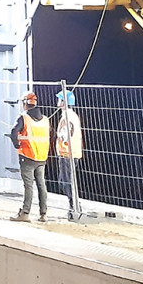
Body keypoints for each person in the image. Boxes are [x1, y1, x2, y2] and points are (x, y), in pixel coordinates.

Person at [8, 91, 50, 222]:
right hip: (42, 156)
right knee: (41, 185)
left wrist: (17, 145)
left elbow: (14, 132)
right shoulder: (45, 120)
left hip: (27, 156)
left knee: (28, 186)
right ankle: (43, 214)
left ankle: (25, 213)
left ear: (25, 103)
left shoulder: (24, 117)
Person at [56, 90, 84, 219]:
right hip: (72, 152)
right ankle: (74, 206)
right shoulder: (72, 115)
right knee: (67, 181)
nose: (58, 101)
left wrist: (59, 136)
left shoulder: (67, 116)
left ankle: (74, 207)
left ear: (64, 102)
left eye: (60, 99)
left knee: (65, 182)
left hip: (68, 153)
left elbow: (66, 135)